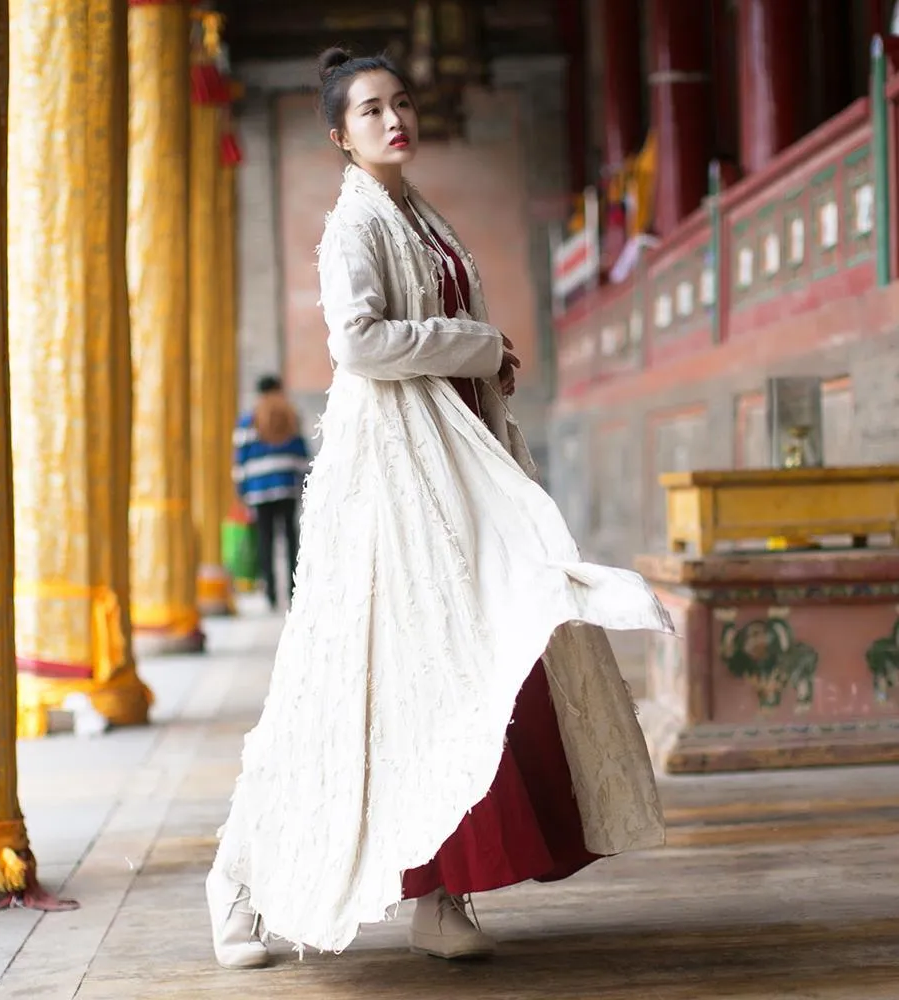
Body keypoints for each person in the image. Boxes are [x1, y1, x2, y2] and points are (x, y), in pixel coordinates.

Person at [205, 47, 673, 970]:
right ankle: (242, 881)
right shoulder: (354, 227)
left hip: (450, 461)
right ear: (340, 135)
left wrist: (481, 361)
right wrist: (476, 341)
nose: (393, 120)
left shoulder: (418, 214)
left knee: (471, 665)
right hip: (390, 482)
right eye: (371, 111)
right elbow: (359, 342)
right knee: (355, 684)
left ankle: (441, 893)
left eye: (401, 103)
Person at [233, 375, 310, 610]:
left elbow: (241, 456)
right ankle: (293, 588)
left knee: (265, 539)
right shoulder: (291, 416)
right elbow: (301, 452)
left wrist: (241, 487)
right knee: (290, 537)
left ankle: (270, 594)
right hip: (286, 484)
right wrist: (302, 482)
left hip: (259, 487)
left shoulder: (248, 420)